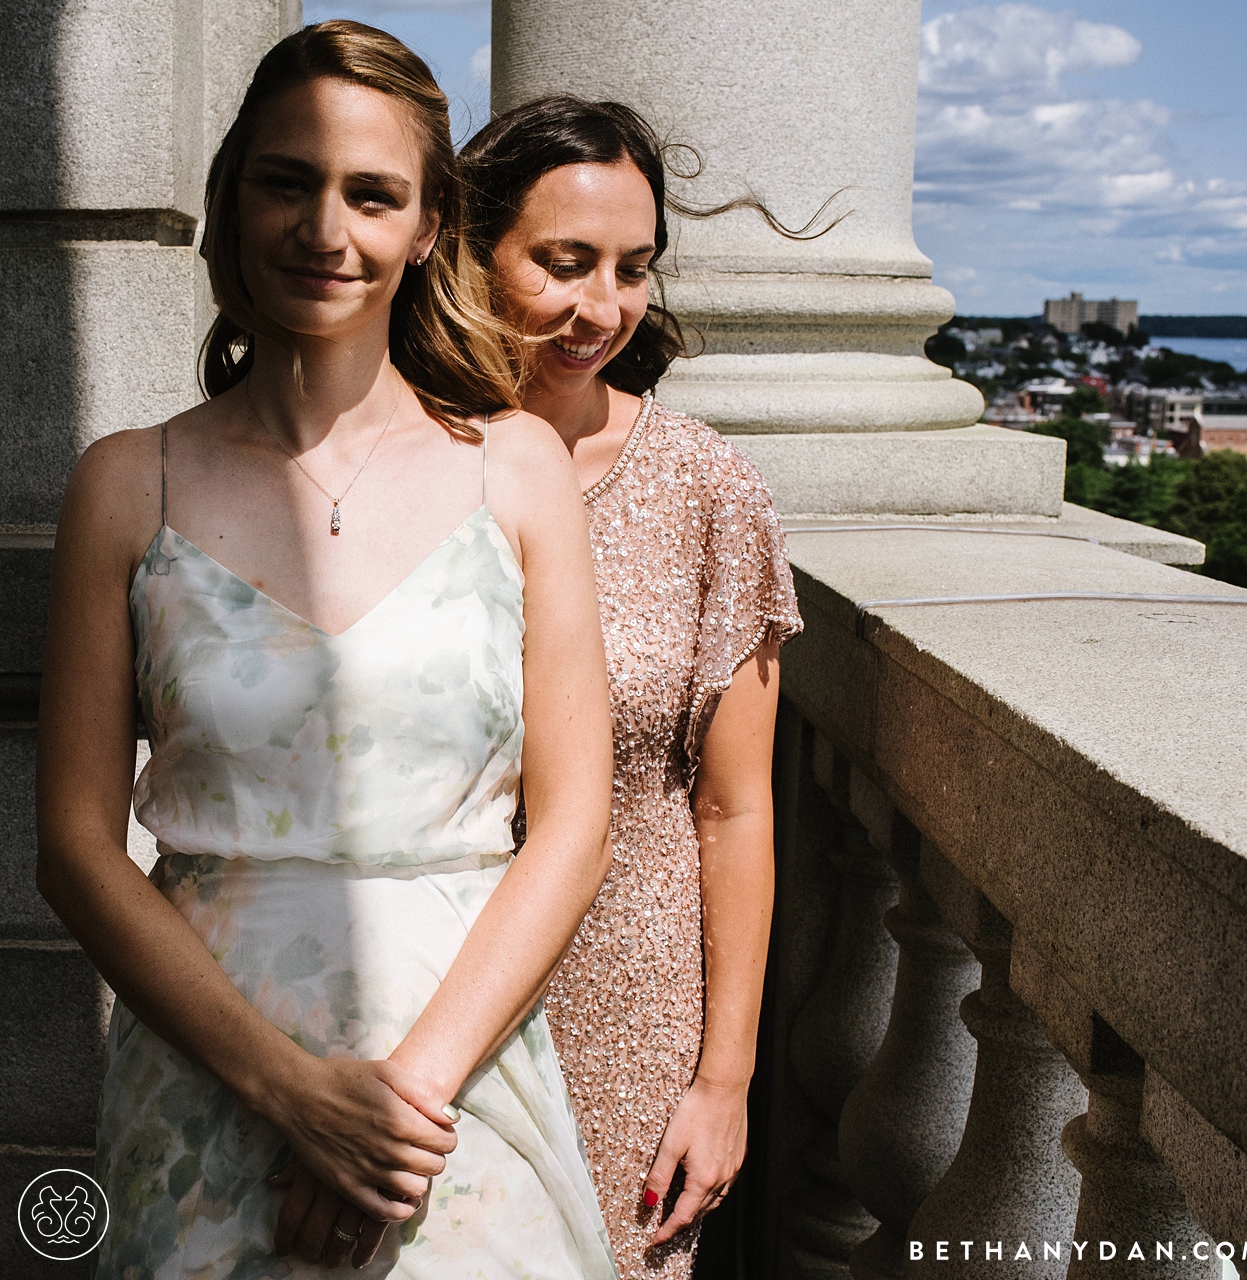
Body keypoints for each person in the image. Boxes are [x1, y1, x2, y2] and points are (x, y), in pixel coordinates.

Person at [37, 25, 618, 1279]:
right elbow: (77, 848)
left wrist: (398, 1108)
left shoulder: (515, 469)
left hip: (454, 1083)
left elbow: (573, 827)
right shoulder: (127, 482)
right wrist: (290, 1091)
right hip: (209, 1078)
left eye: (371, 194)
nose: (324, 228)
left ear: (425, 228)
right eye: (287, 180)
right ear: (233, 198)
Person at [460, 97, 804, 1276]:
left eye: (631, 269)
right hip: (414, 981)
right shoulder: (397, 458)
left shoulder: (711, 490)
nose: (602, 308)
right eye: (563, 263)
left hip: (629, 1015)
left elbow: (735, 806)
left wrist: (722, 1078)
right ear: (466, 247)